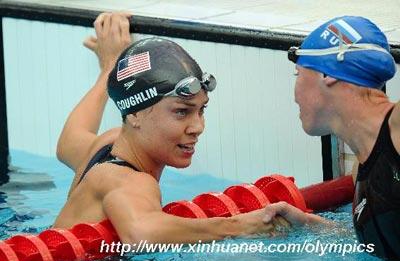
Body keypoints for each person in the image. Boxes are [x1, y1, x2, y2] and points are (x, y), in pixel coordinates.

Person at [53, 12, 292, 246]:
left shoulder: (107, 144)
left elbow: (69, 141)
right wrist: (240, 226)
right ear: (135, 114)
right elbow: (140, 235)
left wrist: (108, 69)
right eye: (181, 111)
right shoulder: (129, 181)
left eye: (201, 110)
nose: (198, 127)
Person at [263, 15, 400, 261]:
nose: (294, 96)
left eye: (298, 74)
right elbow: (379, 245)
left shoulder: (397, 129)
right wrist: (306, 223)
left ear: (328, 72)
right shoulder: (362, 166)